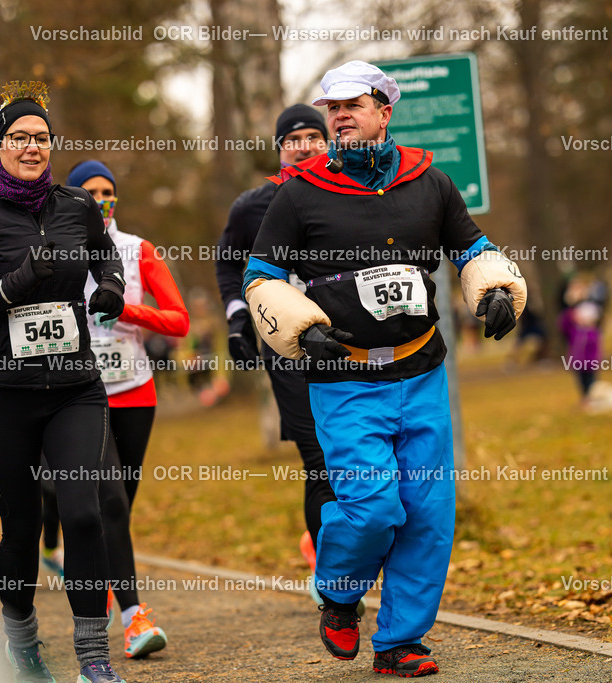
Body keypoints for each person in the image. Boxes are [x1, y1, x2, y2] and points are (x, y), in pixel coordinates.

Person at [243, 61, 527, 678]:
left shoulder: (430, 181)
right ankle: (340, 594)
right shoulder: (300, 191)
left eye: (353, 104)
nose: (340, 115)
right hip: (344, 381)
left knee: (427, 513)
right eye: (332, 108)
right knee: (372, 507)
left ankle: (400, 643)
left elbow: (472, 248)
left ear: (384, 111)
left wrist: (495, 288)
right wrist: (302, 326)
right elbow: (260, 276)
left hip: (421, 371)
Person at [0, 81, 127, 683]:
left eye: (41, 138)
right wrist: (16, 283)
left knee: (85, 512)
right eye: (18, 138)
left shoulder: (77, 206)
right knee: (21, 524)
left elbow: (107, 255)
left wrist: (113, 287)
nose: (31, 147)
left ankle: (94, 657)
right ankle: (21, 643)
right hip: (0, 393)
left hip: (74, 385)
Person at [65, 159, 189, 658]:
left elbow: (179, 320)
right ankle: (135, 619)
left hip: (135, 391)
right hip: (80, 395)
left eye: (108, 190)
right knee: (110, 502)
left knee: (119, 507)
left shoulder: (138, 250)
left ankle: (104, 579)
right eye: (90, 192)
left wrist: (127, 311)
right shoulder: (56, 252)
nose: (101, 199)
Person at [215, 103, 339, 593]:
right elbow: (228, 263)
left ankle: (328, 542)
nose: (305, 145)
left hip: (346, 345)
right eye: (294, 138)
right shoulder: (253, 206)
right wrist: (237, 317)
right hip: (287, 348)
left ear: (328, 143)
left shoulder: (349, 194)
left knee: (349, 454)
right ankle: (326, 571)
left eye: (315, 136)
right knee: (319, 457)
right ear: (280, 148)